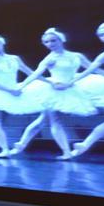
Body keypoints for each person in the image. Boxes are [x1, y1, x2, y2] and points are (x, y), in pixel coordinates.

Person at [11, 28, 97, 159]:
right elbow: (35, 74)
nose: (50, 44)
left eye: (53, 40)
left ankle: (21, 144)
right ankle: (66, 152)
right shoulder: (49, 59)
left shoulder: (77, 56)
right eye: (46, 42)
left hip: (70, 88)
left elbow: (91, 69)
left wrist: (73, 81)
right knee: (54, 120)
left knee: (42, 120)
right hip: (54, 90)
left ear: (61, 40)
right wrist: (22, 86)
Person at [68, 22, 104, 160]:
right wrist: (71, 82)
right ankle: (84, 144)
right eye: (102, 35)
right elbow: (90, 69)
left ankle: (84, 144)